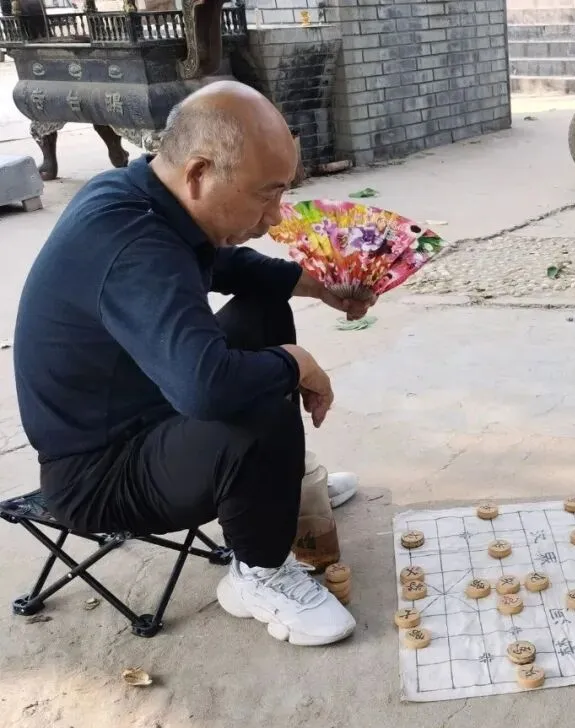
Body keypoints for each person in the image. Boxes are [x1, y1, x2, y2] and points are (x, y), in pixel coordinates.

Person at [13, 81, 371, 647]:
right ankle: (258, 572)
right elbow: (208, 390)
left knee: (263, 313)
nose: (274, 218)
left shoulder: (141, 194)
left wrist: (319, 286)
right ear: (200, 173)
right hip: (99, 474)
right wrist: (296, 362)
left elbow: (229, 267)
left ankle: (279, 489)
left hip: (151, 408)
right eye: (266, 195)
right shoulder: (133, 244)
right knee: (259, 396)